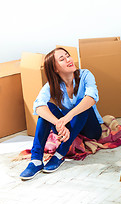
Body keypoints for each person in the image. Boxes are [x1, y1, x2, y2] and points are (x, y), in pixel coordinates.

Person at [20, 47, 103, 180]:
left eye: (68, 56)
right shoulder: (52, 86)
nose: (68, 59)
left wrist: (66, 118)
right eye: (62, 59)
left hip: (90, 128)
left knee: (83, 103)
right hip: (67, 130)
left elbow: (91, 98)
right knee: (46, 108)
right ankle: (36, 160)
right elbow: (38, 106)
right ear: (55, 69)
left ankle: (60, 153)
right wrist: (59, 122)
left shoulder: (86, 75)